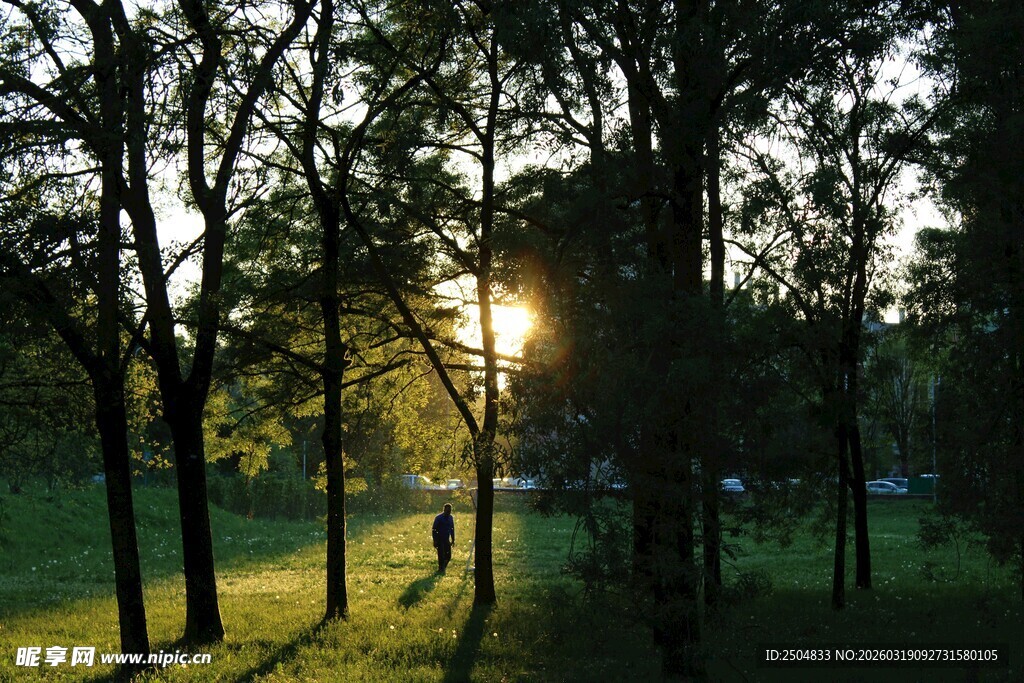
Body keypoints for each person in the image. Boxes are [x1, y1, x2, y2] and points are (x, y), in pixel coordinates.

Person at [431, 503, 455, 574]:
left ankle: (443, 567)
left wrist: (453, 539)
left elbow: (452, 529)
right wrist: (435, 540)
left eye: (450, 511)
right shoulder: (438, 518)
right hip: (439, 539)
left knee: (448, 556)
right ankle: (441, 569)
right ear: (444, 510)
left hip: (446, 539)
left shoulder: (451, 518)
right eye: (447, 511)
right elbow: (434, 529)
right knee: (441, 555)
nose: (449, 512)